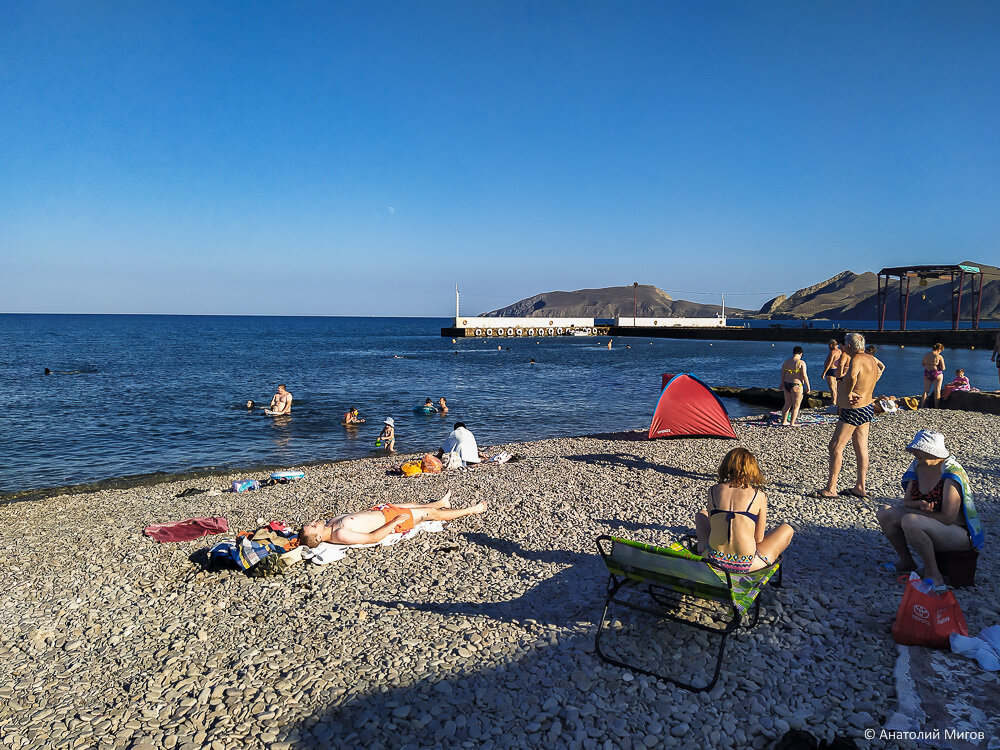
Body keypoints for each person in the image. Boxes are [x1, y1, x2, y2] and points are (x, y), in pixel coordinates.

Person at [875, 431, 983, 590]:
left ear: (933, 452)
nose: (914, 453)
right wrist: (919, 505)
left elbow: (948, 517)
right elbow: (907, 501)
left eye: (919, 450)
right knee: (885, 513)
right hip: (933, 522)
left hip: (958, 533)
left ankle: (934, 575)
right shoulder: (918, 466)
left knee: (910, 521)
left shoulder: (951, 472)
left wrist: (916, 514)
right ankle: (906, 561)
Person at [694, 448, 794, 572]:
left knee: (701, 514)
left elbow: (713, 525)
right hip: (746, 564)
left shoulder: (713, 490)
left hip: (712, 560)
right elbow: (758, 538)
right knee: (787, 529)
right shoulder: (759, 495)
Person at [811, 332, 883, 500]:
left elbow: (851, 376)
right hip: (866, 407)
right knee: (861, 448)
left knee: (835, 446)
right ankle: (860, 486)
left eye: (845, 344)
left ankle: (831, 488)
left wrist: (850, 392)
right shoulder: (871, 359)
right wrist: (864, 390)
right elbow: (880, 370)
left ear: (849, 346)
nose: (843, 347)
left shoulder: (857, 360)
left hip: (853, 409)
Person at [299, 492, 487, 548]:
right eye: (312, 527)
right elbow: (373, 538)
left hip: (383, 510)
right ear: (317, 538)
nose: (313, 522)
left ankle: (441, 502)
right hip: (391, 519)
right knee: (430, 513)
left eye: (310, 523)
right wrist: (395, 522)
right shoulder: (339, 534)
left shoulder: (332, 523)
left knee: (413, 502)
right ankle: (472, 510)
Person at [779, 346, 811, 427]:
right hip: (797, 385)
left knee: (787, 404)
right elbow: (804, 375)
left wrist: (781, 384)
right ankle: (792, 423)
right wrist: (808, 386)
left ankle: (784, 422)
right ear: (801, 353)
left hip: (786, 384)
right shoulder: (801, 363)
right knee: (796, 406)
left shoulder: (786, 362)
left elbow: (782, 375)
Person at [920, 343, 946, 408]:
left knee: (925, 391)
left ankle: (922, 406)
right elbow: (943, 368)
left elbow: (923, 364)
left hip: (927, 372)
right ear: (939, 349)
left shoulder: (926, 355)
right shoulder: (939, 356)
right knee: (937, 390)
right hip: (936, 373)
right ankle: (937, 406)